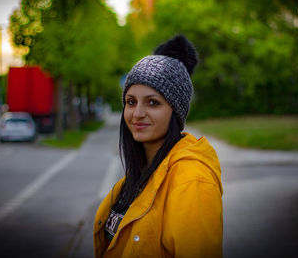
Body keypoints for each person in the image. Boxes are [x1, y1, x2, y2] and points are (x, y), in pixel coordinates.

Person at [93, 35, 223, 257]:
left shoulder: (191, 179)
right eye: (131, 102)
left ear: (175, 111)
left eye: (153, 102)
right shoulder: (140, 174)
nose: (137, 114)